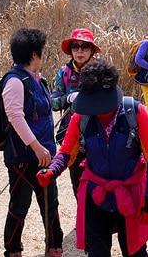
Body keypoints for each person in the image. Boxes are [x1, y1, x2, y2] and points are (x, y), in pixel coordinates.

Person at [37, 60, 148, 257]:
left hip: (130, 195)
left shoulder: (135, 113)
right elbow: (67, 152)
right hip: (96, 195)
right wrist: (52, 170)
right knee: (97, 252)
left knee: (135, 252)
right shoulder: (82, 117)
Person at [1, 28, 64, 257]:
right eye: (41, 52)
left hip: (45, 155)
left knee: (50, 202)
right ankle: (13, 249)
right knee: (20, 205)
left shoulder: (38, 79)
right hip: (23, 156)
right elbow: (15, 117)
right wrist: (36, 146)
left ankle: (54, 245)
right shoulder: (15, 81)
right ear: (34, 54)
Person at [50, 28, 100, 194]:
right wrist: (68, 98)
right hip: (72, 137)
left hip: (99, 135)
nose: (79, 51)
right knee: (78, 185)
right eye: (75, 46)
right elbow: (53, 103)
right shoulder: (63, 73)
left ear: (92, 50)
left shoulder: (101, 71)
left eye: (84, 46)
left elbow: (113, 102)